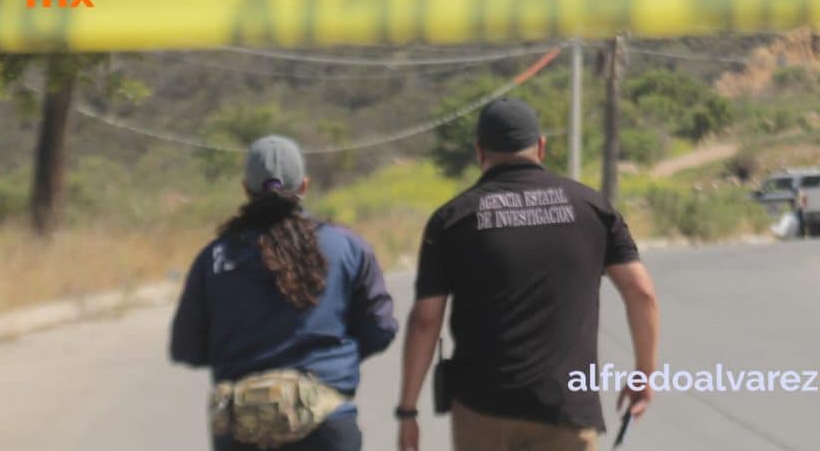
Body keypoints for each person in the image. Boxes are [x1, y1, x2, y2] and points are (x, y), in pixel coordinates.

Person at [396, 98, 660, 451]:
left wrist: (408, 411)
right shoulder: (592, 208)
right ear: (540, 146)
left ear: (480, 152)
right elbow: (640, 292)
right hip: (566, 408)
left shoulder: (451, 220)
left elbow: (426, 320)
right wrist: (644, 372)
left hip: (482, 411)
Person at [170, 135, 398, 451]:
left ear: (245, 189)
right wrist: (336, 357)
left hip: (242, 433)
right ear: (304, 186)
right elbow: (381, 329)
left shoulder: (214, 257)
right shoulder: (347, 246)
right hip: (326, 428)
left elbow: (186, 347)